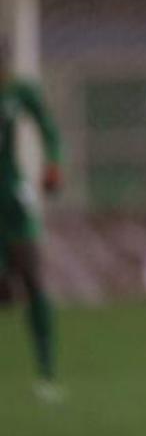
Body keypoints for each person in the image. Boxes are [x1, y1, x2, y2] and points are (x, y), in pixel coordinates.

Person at [0, 38, 64, 401]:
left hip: (11, 196)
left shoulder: (19, 92)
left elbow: (49, 130)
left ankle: (47, 372)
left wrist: (54, 163)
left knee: (32, 277)